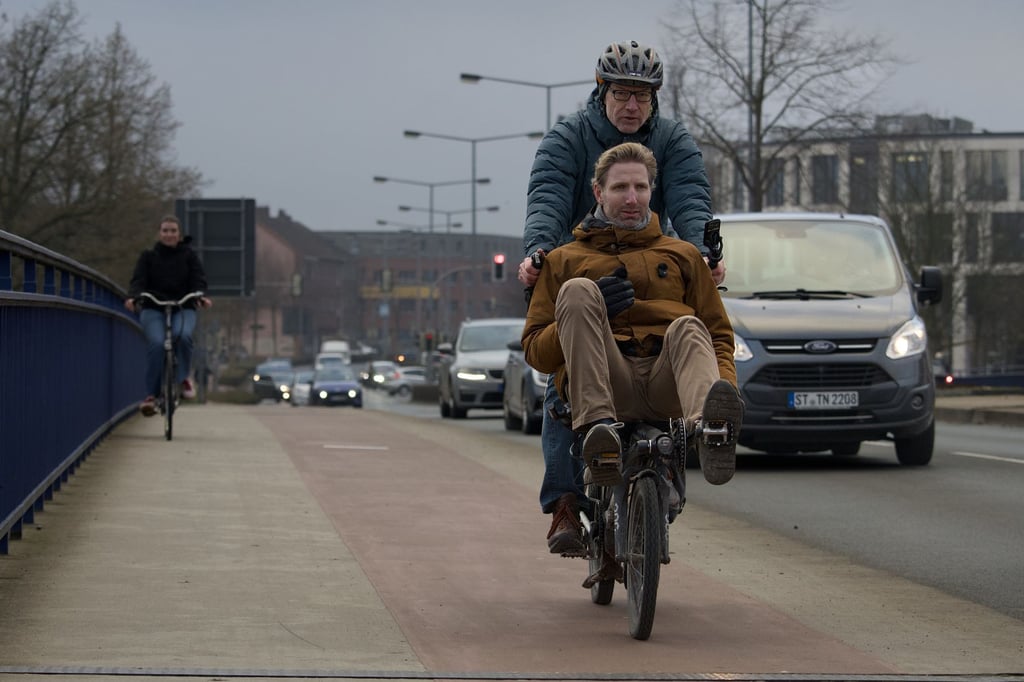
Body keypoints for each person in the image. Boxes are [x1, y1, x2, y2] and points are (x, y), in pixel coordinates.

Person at [518, 39, 725, 548]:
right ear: (601, 93)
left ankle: (701, 439)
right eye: (622, 95)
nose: (632, 106)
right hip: (582, 262)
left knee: (686, 330)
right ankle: (565, 503)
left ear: (654, 100)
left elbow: (691, 196)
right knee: (562, 386)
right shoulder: (567, 138)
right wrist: (543, 252)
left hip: (649, 265)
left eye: (642, 96)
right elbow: (547, 196)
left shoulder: (672, 140)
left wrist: (700, 251)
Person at [124, 215, 212, 416]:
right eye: (165, 230)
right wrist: (134, 297)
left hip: (183, 306)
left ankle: (182, 379)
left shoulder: (189, 256)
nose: (169, 234)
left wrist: (201, 296)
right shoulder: (148, 257)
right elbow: (138, 280)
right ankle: (151, 396)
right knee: (156, 344)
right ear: (159, 233)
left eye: (173, 230)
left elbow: (198, 279)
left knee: (184, 336)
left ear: (179, 234)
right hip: (154, 307)